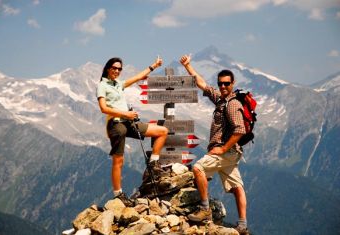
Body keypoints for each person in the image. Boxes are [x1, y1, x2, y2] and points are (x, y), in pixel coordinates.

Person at [180, 54, 249, 235]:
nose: (223, 86)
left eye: (227, 83)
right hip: (230, 154)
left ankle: (205, 209)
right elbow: (202, 83)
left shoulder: (232, 105)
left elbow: (240, 130)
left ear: (233, 83)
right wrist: (188, 66)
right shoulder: (220, 99)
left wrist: (224, 148)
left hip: (226, 152)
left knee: (198, 169)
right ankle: (242, 226)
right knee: (237, 187)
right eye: (220, 83)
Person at [96, 56, 168, 207]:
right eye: (114, 68)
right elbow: (103, 108)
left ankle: (153, 164)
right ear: (108, 68)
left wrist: (154, 65)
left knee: (162, 131)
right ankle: (118, 194)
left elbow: (138, 77)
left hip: (129, 122)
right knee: (119, 161)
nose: (117, 71)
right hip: (116, 124)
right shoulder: (102, 85)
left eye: (119, 69)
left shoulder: (119, 84)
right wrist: (125, 114)